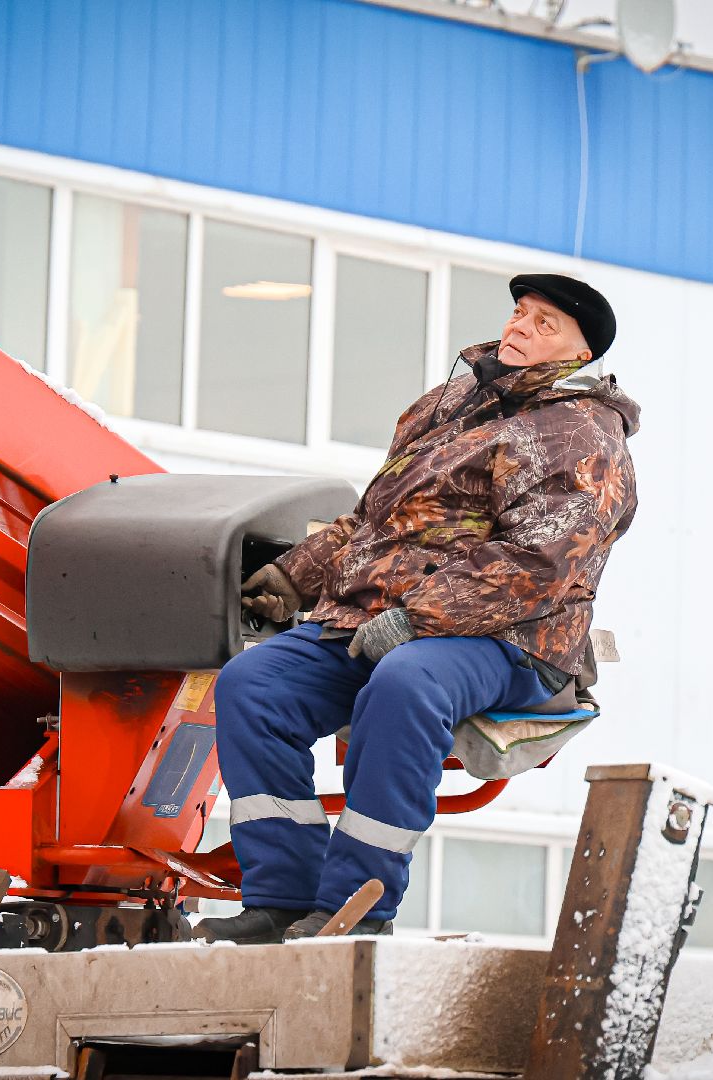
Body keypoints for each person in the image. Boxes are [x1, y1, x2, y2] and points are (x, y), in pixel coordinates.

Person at [197, 273, 640, 944]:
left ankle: (358, 908)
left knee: (408, 680)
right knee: (254, 685)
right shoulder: (445, 408)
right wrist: (292, 577)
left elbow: (541, 565)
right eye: (520, 313)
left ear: (581, 353)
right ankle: (281, 899)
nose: (520, 327)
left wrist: (415, 620)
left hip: (515, 638)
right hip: (379, 622)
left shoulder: (583, 437)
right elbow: (373, 523)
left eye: (546, 323)